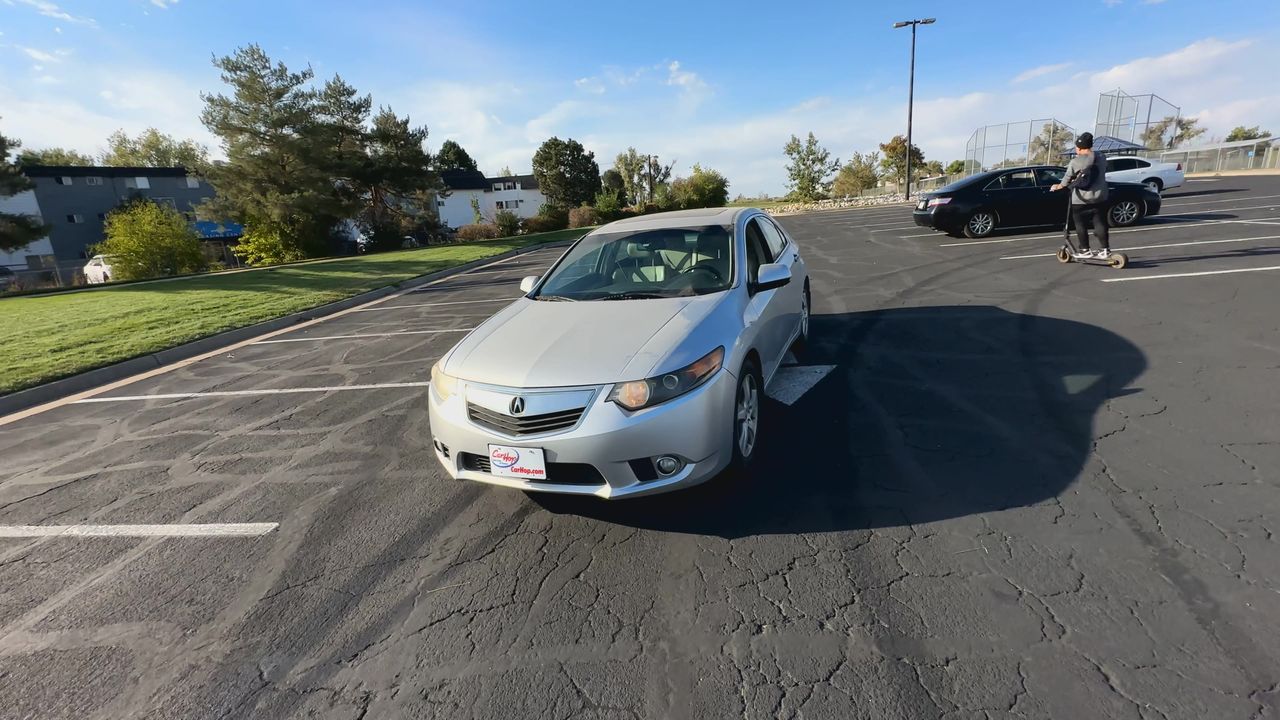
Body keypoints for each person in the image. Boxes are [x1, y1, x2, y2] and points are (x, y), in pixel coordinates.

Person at [1051, 132, 1110, 258]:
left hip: (1081, 200)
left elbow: (1066, 180)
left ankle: (1085, 250)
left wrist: (1058, 187)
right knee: (1100, 222)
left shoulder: (1075, 162)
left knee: (1080, 224)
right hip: (1100, 197)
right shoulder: (1102, 157)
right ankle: (1104, 250)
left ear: (1079, 148)